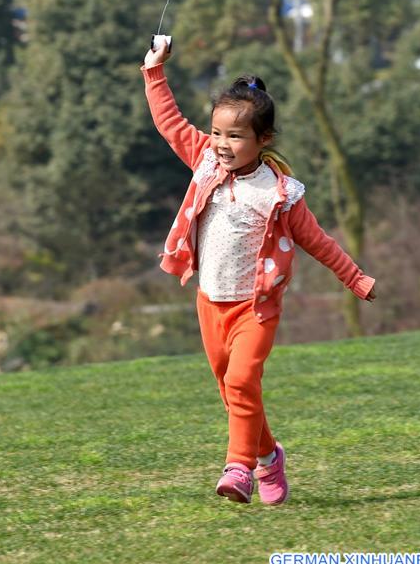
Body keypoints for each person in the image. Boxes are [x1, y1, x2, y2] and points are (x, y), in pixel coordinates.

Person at [141, 37, 376, 505]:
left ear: (262, 140)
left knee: (242, 382)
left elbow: (317, 241)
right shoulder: (205, 160)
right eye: (217, 133)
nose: (223, 145)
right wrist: (153, 70)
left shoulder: (279, 193)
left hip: (256, 309)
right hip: (210, 303)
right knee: (233, 395)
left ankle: (238, 470)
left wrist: (355, 278)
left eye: (235, 136)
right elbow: (169, 123)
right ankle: (269, 457)